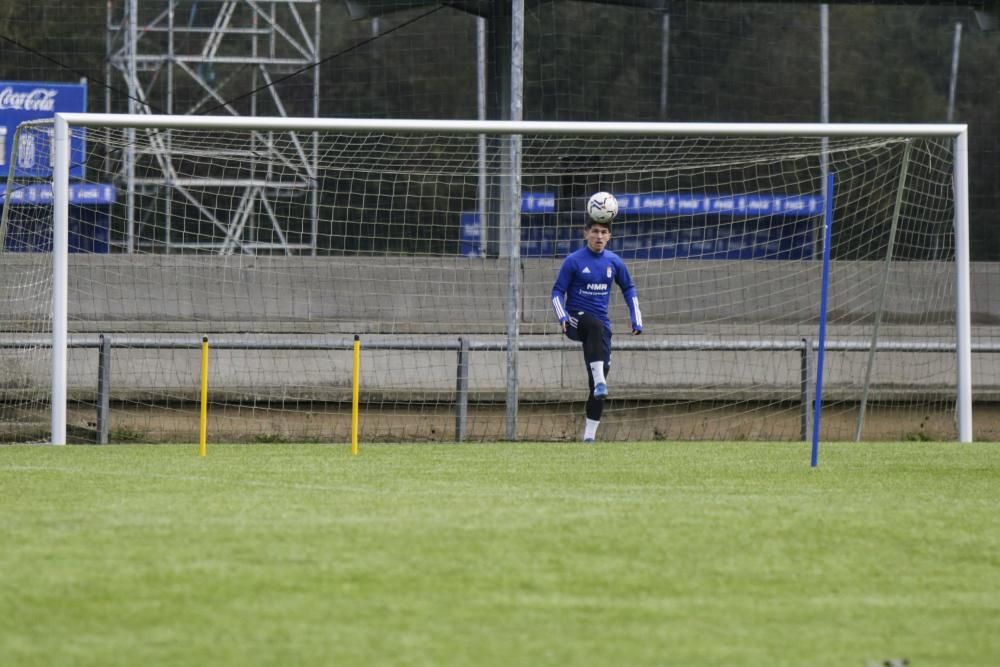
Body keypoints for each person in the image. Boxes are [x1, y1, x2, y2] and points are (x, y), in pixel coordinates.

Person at [551, 205, 642, 443]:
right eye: (595, 231)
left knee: (597, 389)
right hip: (574, 320)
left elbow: (629, 288)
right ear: (586, 233)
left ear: (609, 236)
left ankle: (589, 438)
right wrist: (561, 317)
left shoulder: (614, 262)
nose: (599, 236)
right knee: (592, 324)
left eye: (603, 232)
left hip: (601, 326)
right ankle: (600, 380)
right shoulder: (573, 261)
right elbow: (557, 292)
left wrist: (636, 318)